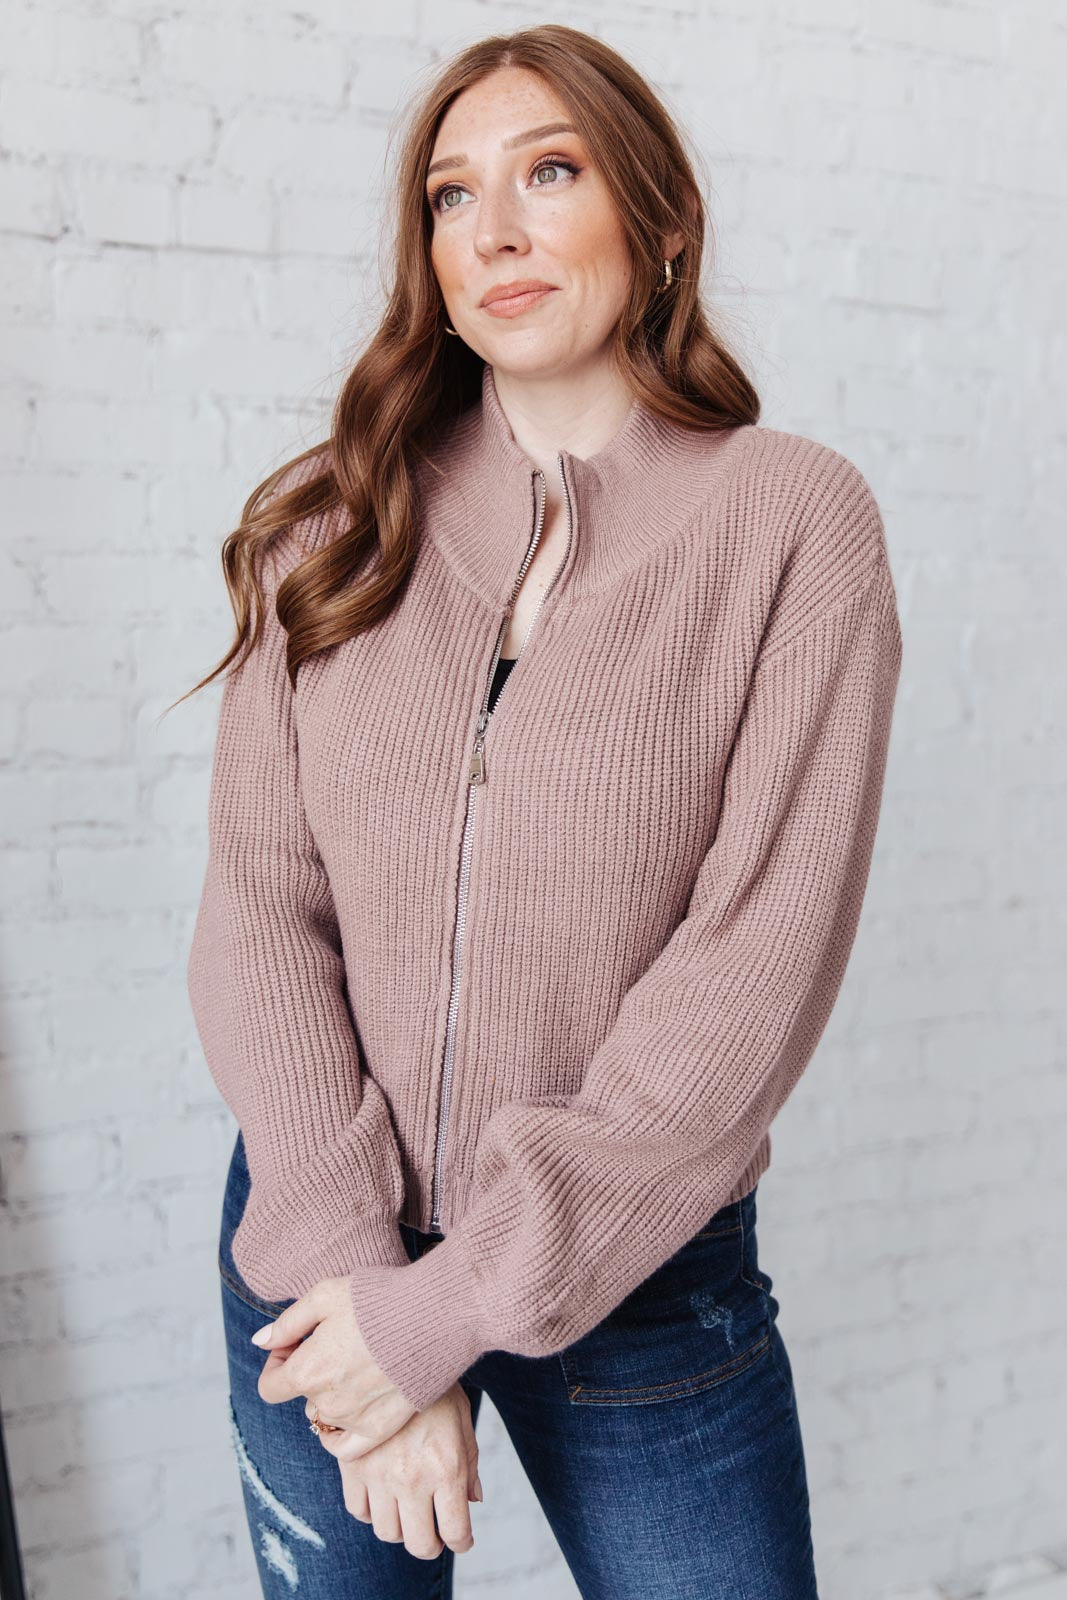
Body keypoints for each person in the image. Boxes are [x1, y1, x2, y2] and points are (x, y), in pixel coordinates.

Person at [180, 23, 902, 1600]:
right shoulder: (331, 524)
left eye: (550, 174)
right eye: (452, 195)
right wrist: (364, 1291)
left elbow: (748, 976)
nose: (494, 231)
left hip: (636, 1275)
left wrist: (434, 1322)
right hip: (322, 1241)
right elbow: (259, 915)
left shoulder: (794, 526)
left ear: (662, 223)